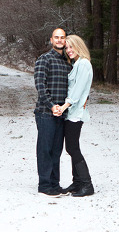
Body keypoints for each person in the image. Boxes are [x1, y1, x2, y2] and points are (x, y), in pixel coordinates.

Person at [53, 34, 94, 197]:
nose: (68, 50)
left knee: (72, 148)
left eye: (72, 47)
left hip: (75, 113)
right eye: (67, 47)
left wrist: (64, 107)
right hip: (73, 111)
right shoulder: (77, 64)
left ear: (79, 46)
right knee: (71, 147)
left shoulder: (83, 64)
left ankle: (87, 184)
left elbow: (77, 91)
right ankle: (77, 183)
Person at [34, 27, 72, 197]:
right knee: (45, 149)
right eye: (56, 37)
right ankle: (44, 184)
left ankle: (55, 184)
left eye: (62, 37)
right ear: (51, 40)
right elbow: (40, 86)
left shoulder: (67, 62)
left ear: (65, 40)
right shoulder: (44, 59)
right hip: (45, 113)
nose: (59, 40)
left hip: (62, 113)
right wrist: (51, 106)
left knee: (57, 150)